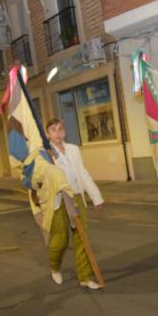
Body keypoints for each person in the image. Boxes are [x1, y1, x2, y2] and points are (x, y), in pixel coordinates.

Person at [46, 117, 103, 290]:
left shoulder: (73, 149)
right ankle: (55, 267)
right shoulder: (44, 152)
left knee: (82, 238)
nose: (58, 133)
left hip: (76, 196)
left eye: (61, 129)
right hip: (59, 199)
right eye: (54, 129)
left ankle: (84, 277)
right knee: (60, 240)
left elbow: (82, 173)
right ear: (48, 133)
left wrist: (96, 197)